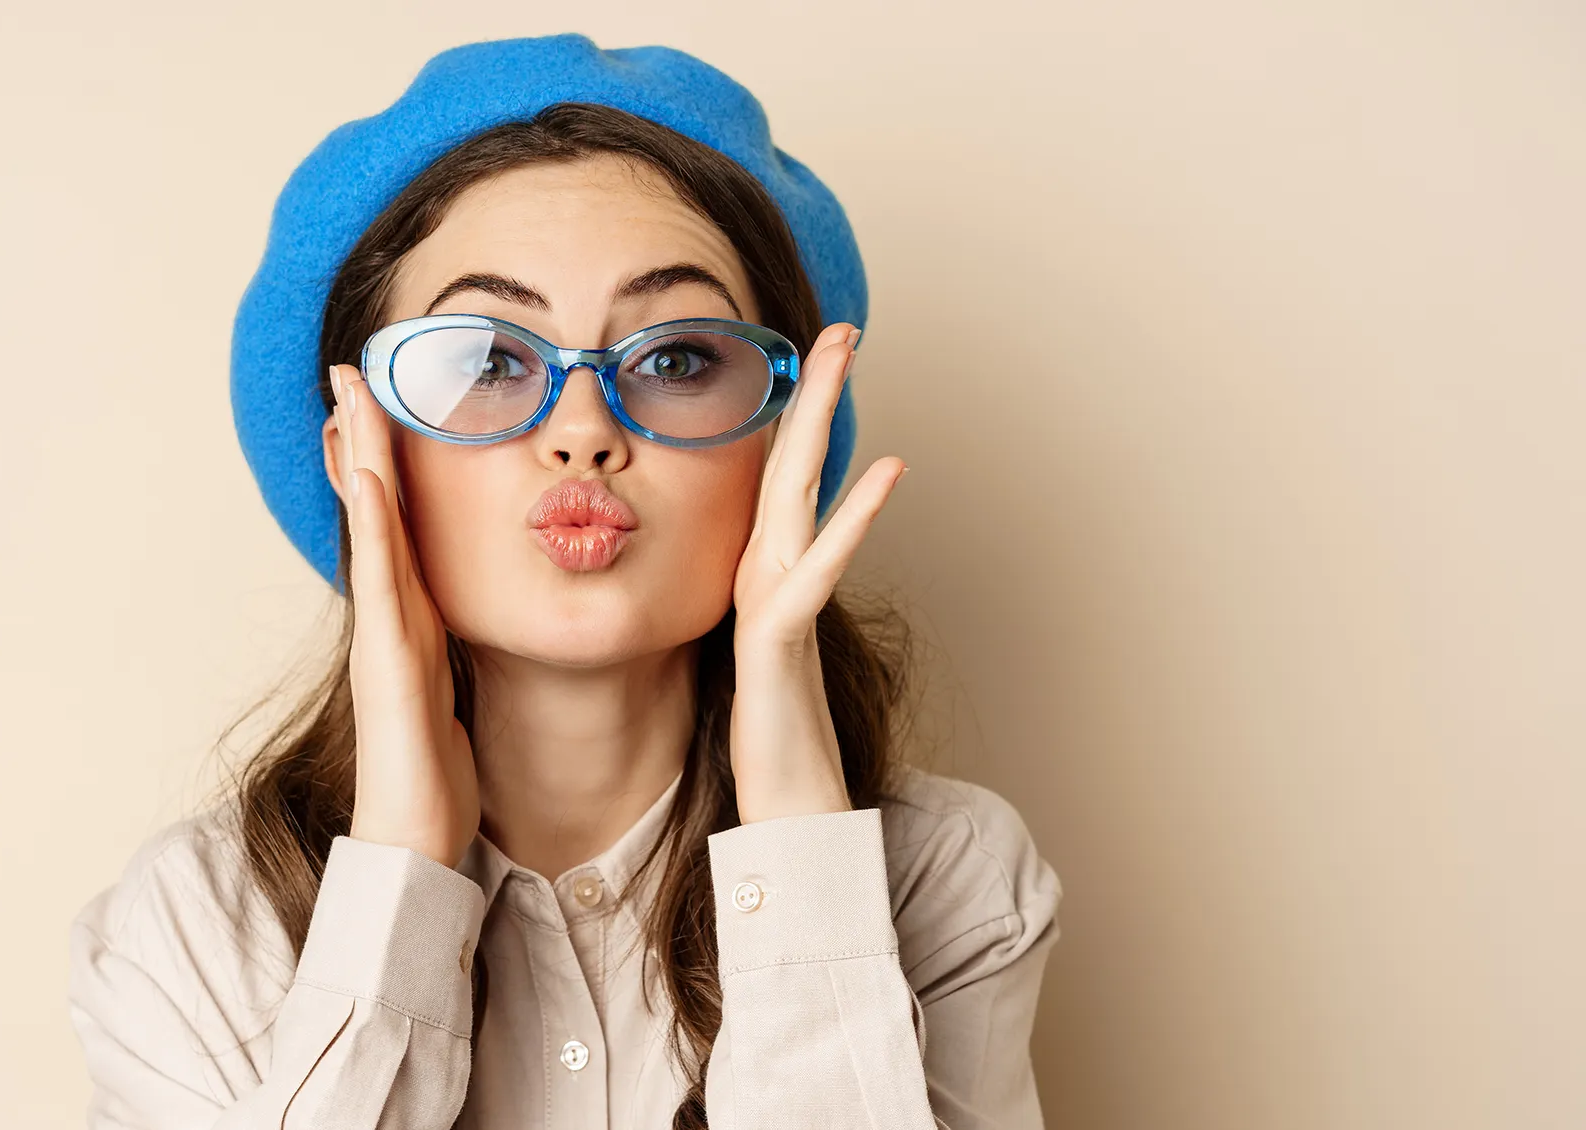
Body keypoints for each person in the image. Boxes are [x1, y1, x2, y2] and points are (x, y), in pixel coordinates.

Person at [67, 33, 1063, 1130]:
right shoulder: (193, 930)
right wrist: (397, 870)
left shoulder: (949, 880)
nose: (581, 431)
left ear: (785, 442)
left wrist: (795, 834)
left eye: (676, 357)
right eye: (487, 358)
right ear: (359, 446)